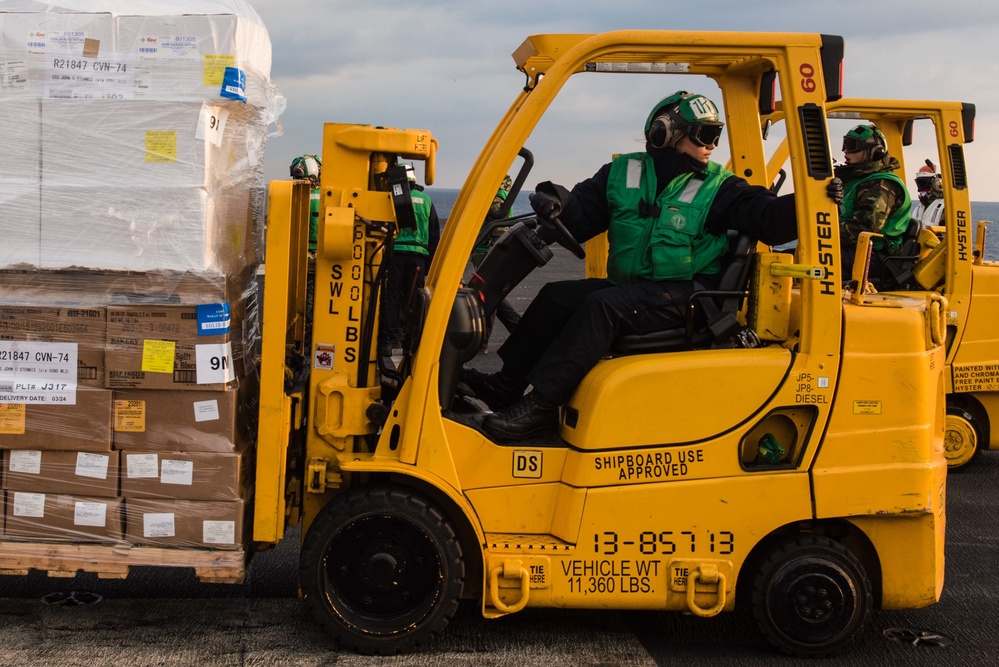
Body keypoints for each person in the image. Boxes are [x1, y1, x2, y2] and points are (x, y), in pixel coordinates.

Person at [461, 91, 814, 440]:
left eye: (715, 135)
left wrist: (813, 199)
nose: (712, 145)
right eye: (705, 135)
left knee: (603, 307)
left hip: (689, 298)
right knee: (556, 296)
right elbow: (583, 214)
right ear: (666, 132)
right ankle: (505, 387)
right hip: (636, 290)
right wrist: (558, 202)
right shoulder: (621, 172)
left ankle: (540, 406)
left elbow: (768, 217)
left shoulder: (718, 188)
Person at [378, 163, 441, 355]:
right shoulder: (426, 201)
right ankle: (409, 342)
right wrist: (429, 264)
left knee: (392, 298)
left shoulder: (391, 198)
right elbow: (434, 236)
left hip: (396, 255)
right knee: (413, 300)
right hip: (418, 259)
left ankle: (387, 342)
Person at [834, 124, 912, 277]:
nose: (845, 151)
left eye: (852, 146)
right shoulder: (856, 182)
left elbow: (865, 228)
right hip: (856, 250)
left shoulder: (881, 185)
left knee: (813, 263)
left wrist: (821, 230)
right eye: (845, 145)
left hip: (876, 256)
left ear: (874, 152)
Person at [471, 174, 521, 354]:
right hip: (489, 252)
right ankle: (519, 332)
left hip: (487, 252)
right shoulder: (502, 195)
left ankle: (483, 341)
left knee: (488, 295)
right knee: (494, 295)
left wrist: (493, 256)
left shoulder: (496, 197)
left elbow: (498, 228)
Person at [290, 154, 322, 350]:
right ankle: (310, 339)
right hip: (320, 256)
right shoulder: (326, 195)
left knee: (301, 300)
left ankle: (302, 339)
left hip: (301, 255)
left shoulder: (297, 195)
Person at [913, 159, 944, 226]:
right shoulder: (919, 208)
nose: (920, 189)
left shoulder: (946, 207)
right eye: (919, 183)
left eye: (923, 183)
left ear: (938, 183)